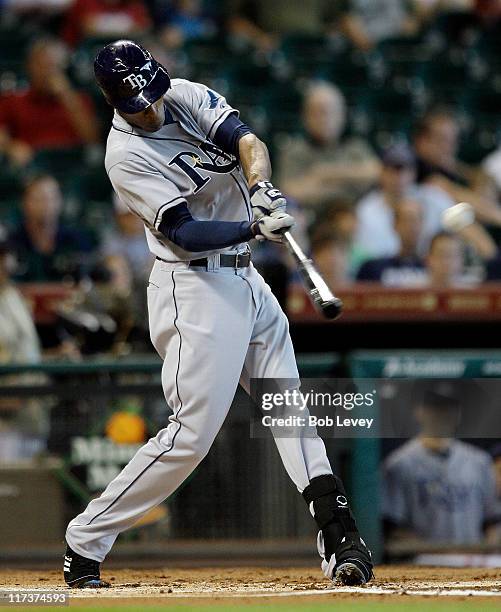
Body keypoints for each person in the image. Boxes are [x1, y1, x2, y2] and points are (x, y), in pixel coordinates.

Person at [62, 40, 373, 588]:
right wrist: (254, 227)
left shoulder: (182, 94)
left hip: (245, 278)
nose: (153, 108)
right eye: (140, 104)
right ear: (114, 101)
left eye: (153, 94)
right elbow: (183, 231)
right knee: (191, 437)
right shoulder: (124, 155)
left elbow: (247, 140)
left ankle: (340, 536)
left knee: (290, 409)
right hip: (194, 288)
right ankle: (85, 539)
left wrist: (260, 186)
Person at [383, 384, 499, 544]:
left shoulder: (479, 461)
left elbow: (492, 521)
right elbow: (394, 528)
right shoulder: (399, 463)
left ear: (459, 413)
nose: (443, 414)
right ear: (419, 412)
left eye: (450, 408)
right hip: (422, 561)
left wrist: (486, 556)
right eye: (435, 408)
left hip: (472, 561)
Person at [277, 82, 379, 210]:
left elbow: (375, 172)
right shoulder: (295, 151)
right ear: (305, 116)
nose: (324, 119)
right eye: (317, 113)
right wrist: (347, 183)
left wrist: (326, 174)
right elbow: (289, 192)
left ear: (343, 115)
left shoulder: (355, 146)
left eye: (330, 111)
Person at [0, 38, 99, 168]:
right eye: (43, 65)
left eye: (55, 66)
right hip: (32, 165)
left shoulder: (78, 100)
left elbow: (92, 139)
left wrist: (66, 96)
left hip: (71, 165)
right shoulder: (14, 100)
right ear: (29, 66)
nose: (49, 72)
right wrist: (11, 147)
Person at [355, 143, 453, 261]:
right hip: (383, 271)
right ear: (382, 172)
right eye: (393, 170)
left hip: (428, 270)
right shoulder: (366, 210)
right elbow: (369, 256)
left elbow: (463, 224)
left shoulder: (432, 197)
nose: (399, 177)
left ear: (414, 173)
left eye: (404, 170)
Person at [413, 108, 501, 227]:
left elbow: (480, 176)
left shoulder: (444, 164)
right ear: (422, 140)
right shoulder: (413, 165)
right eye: (442, 140)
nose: (449, 147)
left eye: (453, 141)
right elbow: (458, 198)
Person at [9, 174, 93, 283]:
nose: (47, 204)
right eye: (39, 198)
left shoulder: (77, 242)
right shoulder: (11, 244)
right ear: (24, 202)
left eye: (52, 198)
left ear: (61, 202)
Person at [356, 199, 427, 286]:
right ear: (395, 224)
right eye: (407, 220)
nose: (412, 226)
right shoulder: (373, 268)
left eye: (416, 220)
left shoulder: (435, 268)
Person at [62, 0, 151, 47]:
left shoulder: (133, 4)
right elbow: (88, 29)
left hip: (124, 51)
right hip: (80, 50)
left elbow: (143, 27)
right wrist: (124, 27)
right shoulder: (85, 2)